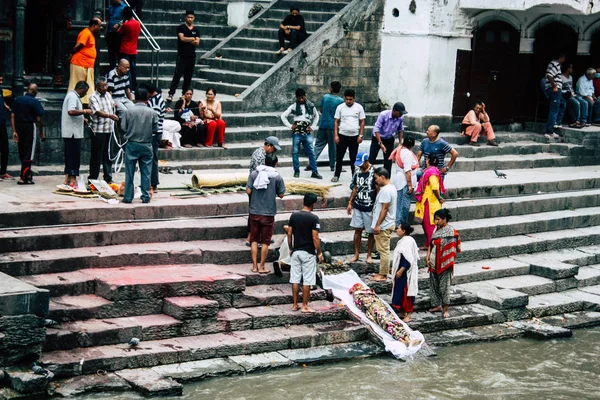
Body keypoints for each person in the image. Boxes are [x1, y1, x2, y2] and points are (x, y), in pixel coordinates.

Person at [247, 153, 286, 273]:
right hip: (268, 213)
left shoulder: (254, 174)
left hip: (254, 211)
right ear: (275, 164)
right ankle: (262, 267)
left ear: (264, 162)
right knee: (265, 241)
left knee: (254, 239)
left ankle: (254, 266)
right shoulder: (277, 177)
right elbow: (281, 194)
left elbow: (248, 191)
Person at [349, 283, 421, 346]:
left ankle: (407, 339)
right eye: (359, 286)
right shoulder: (358, 296)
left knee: (394, 321)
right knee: (387, 322)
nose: (362, 287)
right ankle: (403, 341)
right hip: (375, 310)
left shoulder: (370, 292)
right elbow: (363, 306)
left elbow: (377, 300)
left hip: (381, 308)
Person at [287, 193, 324, 313]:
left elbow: (289, 234)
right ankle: (304, 306)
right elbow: (315, 238)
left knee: (295, 279)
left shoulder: (294, 216)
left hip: (296, 251)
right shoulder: (314, 218)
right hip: (308, 252)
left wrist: (291, 248)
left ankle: (294, 304)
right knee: (307, 280)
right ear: (313, 204)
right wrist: (319, 253)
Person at [122, 87, 159, 203]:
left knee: (129, 172)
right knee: (146, 172)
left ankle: (128, 197)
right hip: (147, 144)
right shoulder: (152, 112)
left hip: (132, 143)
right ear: (147, 98)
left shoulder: (129, 111)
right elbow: (155, 129)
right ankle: (145, 196)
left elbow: (123, 127)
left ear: (134, 98)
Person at [246, 136, 282, 245]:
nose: (274, 151)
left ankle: (262, 236)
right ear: (268, 145)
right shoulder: (259, 155)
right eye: (273, 148)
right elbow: (260, 173)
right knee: (255, 212)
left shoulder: (261, 153)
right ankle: (252, 237)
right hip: (257, 188)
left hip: (259, 187)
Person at [426, 209, 461, 319]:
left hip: (445, 264)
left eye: (438, 219)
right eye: (435, 219)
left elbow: (455, 248)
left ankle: (446, 309)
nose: (436, 222)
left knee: (444, 286)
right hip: (433, 262)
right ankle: (438, 305)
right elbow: (431, 245)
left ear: (445, 219)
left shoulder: (451, 232)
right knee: (434, 285)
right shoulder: (436, 231)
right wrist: (427, 257)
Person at [281, 88, 322, 179]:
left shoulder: (311, 106)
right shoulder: (294, 106)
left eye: (302, 97)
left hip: (307, 132)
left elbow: (316, 116)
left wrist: (313, 126)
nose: (301, 100)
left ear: (305, 96)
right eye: (299, 98)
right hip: (297, 132)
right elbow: (283, 116)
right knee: (295, 152)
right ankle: (296, 171)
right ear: (296, 97)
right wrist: (290, 126)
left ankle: (314, 171)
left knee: (311, 152)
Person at [11, 84, 45, 185]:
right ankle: (23, 177)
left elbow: (12, 115)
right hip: (29, 126)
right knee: (28, 152)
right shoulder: (35, 102)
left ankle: (27, 174)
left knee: (22, 150)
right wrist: (41, 132)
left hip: (18, 125)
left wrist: (14, 130)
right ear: (35, 92)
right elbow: (39, 119)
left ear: (27, 90)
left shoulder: (18, 100)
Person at [61, 81, 92, 189]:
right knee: (73, 156)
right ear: (81, 89)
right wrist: (85, 111)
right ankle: (73, 178)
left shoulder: (72, 96)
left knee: (70, 155)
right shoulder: (73, 97)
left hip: (71, 131)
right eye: (85, 92)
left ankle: (67, 178)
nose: (85, 94)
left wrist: (82, 118)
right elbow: (71, 111)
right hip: (72, 133)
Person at [347, 152, 376, 263]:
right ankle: (356, 254)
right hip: (358, 204)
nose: (360, 166)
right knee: (357, 229)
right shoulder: (357, 171)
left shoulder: (374, 172)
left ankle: (369, 255)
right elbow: (355, 187)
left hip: (369, 206)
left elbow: (377, 189)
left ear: (366, 161)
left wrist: (376, 206)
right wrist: (350, 202)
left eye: (361, 163)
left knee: (370, 232)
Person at [88, 76, 119, 184]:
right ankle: (93, 178)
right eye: (102, 86)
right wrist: (109, 115)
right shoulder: (93, 97)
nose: (105, 88)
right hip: (98, 129)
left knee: (108, 154)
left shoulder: (108, 95)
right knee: (96, 155)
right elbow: (97, 112)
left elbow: (111, 105)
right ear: (97, 87)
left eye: (106, 85)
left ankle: (108, 177)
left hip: (108, 129)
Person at [332, 89, 365, 182]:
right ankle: (336, 175)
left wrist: (361, 135)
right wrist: (336, 135)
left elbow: (362, 122)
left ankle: (354, 177)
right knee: (339, 157)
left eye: (350, 99)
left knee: (353, 158)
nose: (348, 101)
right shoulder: (340, 107)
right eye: (346, 99)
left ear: (354, 99)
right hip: (342, 135)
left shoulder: (359, 107)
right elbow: (336, 122)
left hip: (354, 136)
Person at [167, 10, 200, 102]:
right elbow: (182, 38)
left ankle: (184, 94)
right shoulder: (181, 28)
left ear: (194, 18)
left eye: (192, 17)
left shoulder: (196, 30)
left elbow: (197, 42)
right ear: (185, 17)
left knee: (188, 77)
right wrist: (192, 38)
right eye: (188, 17)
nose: (190, 19)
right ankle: (171, 93)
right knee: (177, 75)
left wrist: (189, 39)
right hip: (182, 56)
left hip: (191, 56)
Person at [370, 167, 397, 282]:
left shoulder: (386, 190)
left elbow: (384, 209)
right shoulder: (390, 187)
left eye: (376, 178)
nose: (375, 181)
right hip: (386, 223)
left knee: (383, 251)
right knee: (382, 250)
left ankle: (383, 274)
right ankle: (382, 271)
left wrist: (377, 225)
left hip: (384, 225)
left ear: (382, 177)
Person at [68, 17, 102, 105]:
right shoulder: (86, 33)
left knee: (88, 85)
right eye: (99, 25)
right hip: (80, 63)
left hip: (87, 65)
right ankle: (73, 103)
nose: (100, 28)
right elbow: (78, 46)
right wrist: (71, 53)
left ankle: (86, 103)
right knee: (77, 83)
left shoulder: (90, 34)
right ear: (94, 25)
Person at [415, 155, 446, 249]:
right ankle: (428, 244)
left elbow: (435, 188)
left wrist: (439, 197)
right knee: (425, 223)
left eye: (427, 159)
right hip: (427, 200)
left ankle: (431, 245)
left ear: (428, 160)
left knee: (429, 224)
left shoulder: (432, 173)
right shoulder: (431, 171)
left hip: (430, 201)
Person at [391, 222, 419, 322]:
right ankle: (403, 311)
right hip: (401, 270)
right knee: (400, 292)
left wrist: (401, 270)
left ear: (404, 231)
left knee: (406, 292)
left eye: (399, 228)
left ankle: (409, 314)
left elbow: (408, 259)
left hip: (405, 272)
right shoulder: (404, 240)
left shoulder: (407, 242)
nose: (397, 230)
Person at [312, 81, 343, 172]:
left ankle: (311, 162)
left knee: (318, 145)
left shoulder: (325, 97)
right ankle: (332, 165)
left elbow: (321, 110)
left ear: (331, 88)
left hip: (323, 124)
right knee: (333, 147)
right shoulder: (340, 101)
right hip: (333, 126)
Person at [369, 102, 407, 172]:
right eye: (400, 113)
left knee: (388, 160)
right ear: (394, 110)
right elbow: (376, 129)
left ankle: (386, 179)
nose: (401, 114)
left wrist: (400, 143)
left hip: (389, 139)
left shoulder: (401, 117)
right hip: (377, 138)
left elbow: (400, 129)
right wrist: (380, 143)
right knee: (372, 158)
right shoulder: (383, 115)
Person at [389, 137, 417, 227]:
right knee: (404, 205)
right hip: (405, 182)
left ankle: (398, 223)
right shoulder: (408, 153)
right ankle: (400, 224)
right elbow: (407, 170)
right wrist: (409, 184)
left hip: (399, 180)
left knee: (399, 203)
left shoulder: (399, 149)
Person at [146, 84, 169, 192]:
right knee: (152, 158)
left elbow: (153, 119)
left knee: (152, 158)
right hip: (155, 132)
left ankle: (153, 183)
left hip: (154, 133)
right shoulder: (157, 98)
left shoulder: (155, 102)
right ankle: (152, 183)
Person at [118, 7, 141, 90]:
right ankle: (134, 86)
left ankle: (129, 86)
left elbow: (119, 32)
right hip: (133, 49)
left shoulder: (126, 25)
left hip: (125, 49)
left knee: (126, 69)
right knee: (133, 69)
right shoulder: (138, 23)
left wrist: (122, 24)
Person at [544, 53, 566, 139]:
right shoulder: (555, 64)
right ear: (562, 57)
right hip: (554, 90)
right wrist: (554, 86)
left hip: (557, 90)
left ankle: (556, 122)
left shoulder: (555, 64)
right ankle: (549, 131)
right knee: (554, 109)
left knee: (563, 103)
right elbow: (549, 75)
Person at [561, 63, 586, 128]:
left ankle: (583, 120)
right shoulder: (561, 77)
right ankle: (576, 121)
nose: (572, 69)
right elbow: (560, 89)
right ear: (567, 69)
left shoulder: (571, 77)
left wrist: (573, 94)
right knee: (576, 103)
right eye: (571, 68)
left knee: (583, 102)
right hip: (566, 95)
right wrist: (568, 93)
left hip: (573, 94)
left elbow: (571, 87)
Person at [106, 0, 126, 70]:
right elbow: (108, 19)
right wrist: (106, 31)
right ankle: (112, 70)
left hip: (118, 33)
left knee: (119, 53)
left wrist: (119, 24)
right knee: (111, 53)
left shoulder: (124, 7)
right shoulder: (111, 7)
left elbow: (125, 19)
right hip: (110, 32)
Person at [0, 75, 12, 180]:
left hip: (2, 121)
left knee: (5, 147)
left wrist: (5, 106)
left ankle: (3, 171)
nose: (1, 80)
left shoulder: (0, 90)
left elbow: (2, 100)